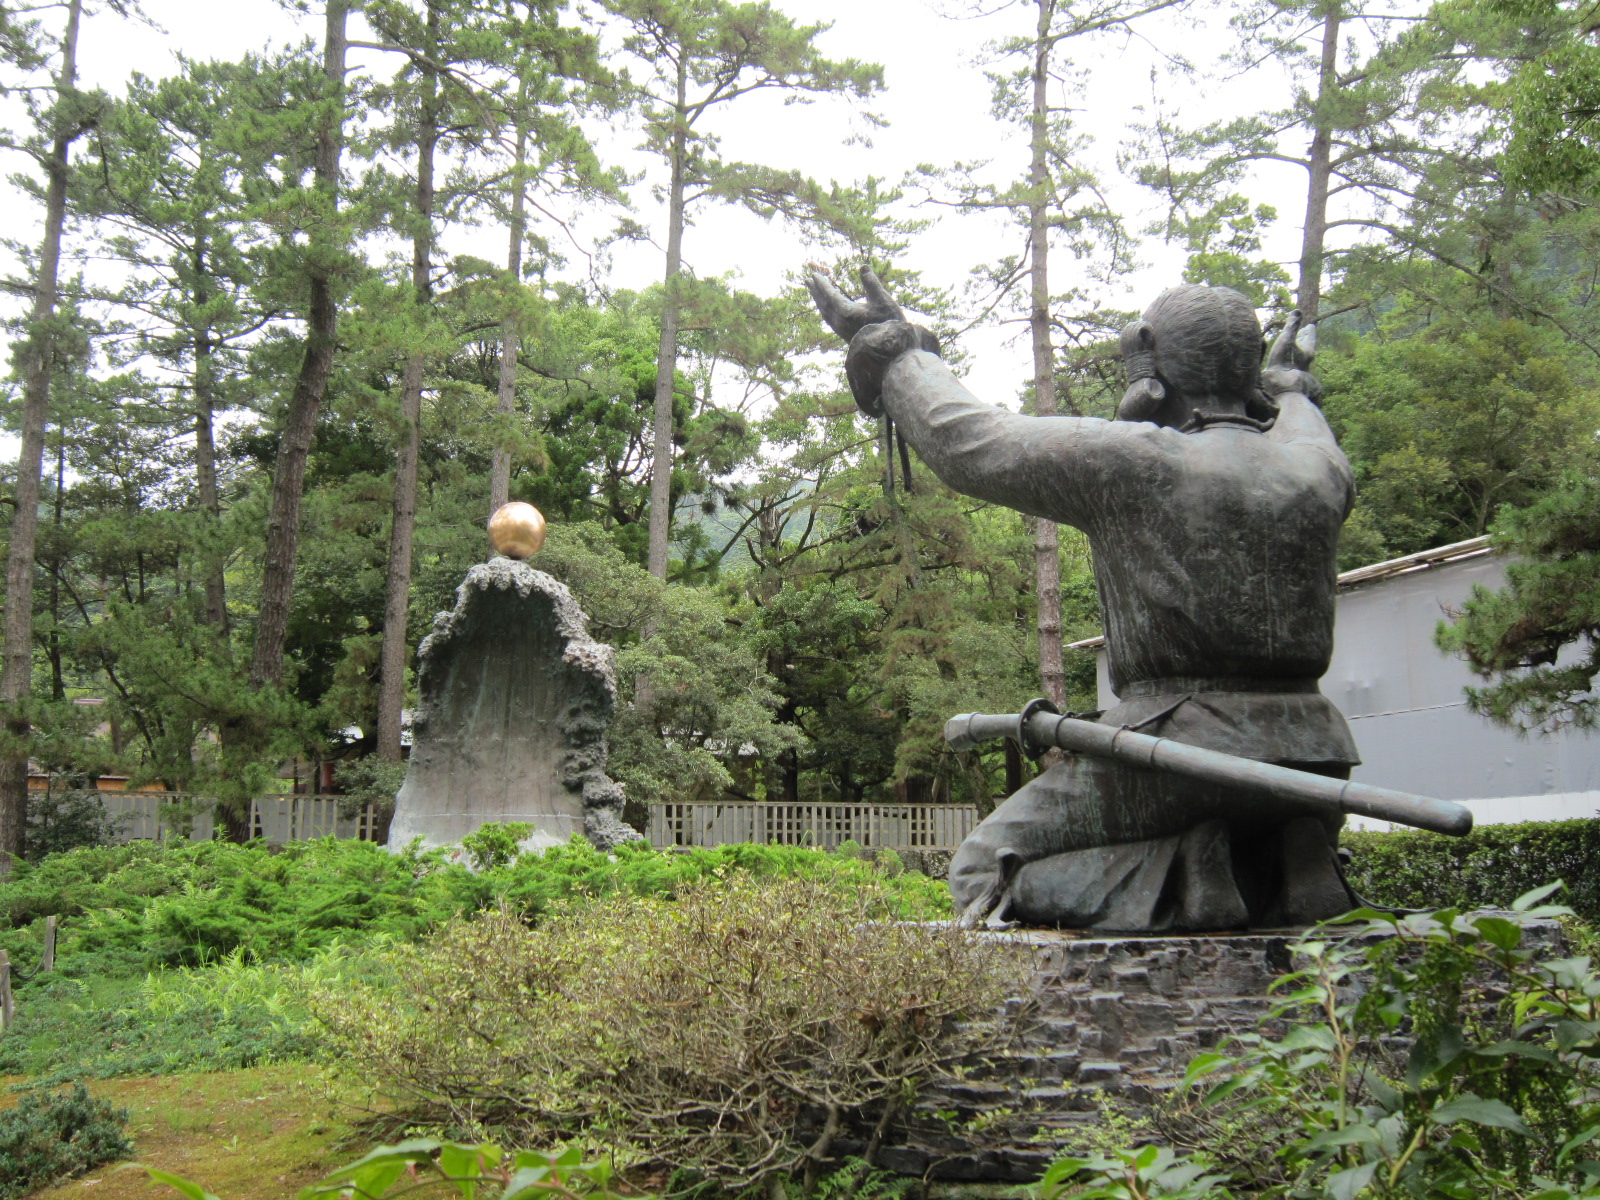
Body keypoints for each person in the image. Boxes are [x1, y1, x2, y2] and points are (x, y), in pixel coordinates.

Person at [808, 269, 1362, 930]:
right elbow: (1300, 409)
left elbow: (968, 440)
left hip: (1181, 752)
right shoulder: (1319, 465)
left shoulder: (1138, 459)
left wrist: (891, 348)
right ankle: (1290, 852)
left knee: (983, 871)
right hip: (1315, 756)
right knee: (1260, 826)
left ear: (1148, 353)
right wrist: (1285, 386)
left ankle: (1182, 872)